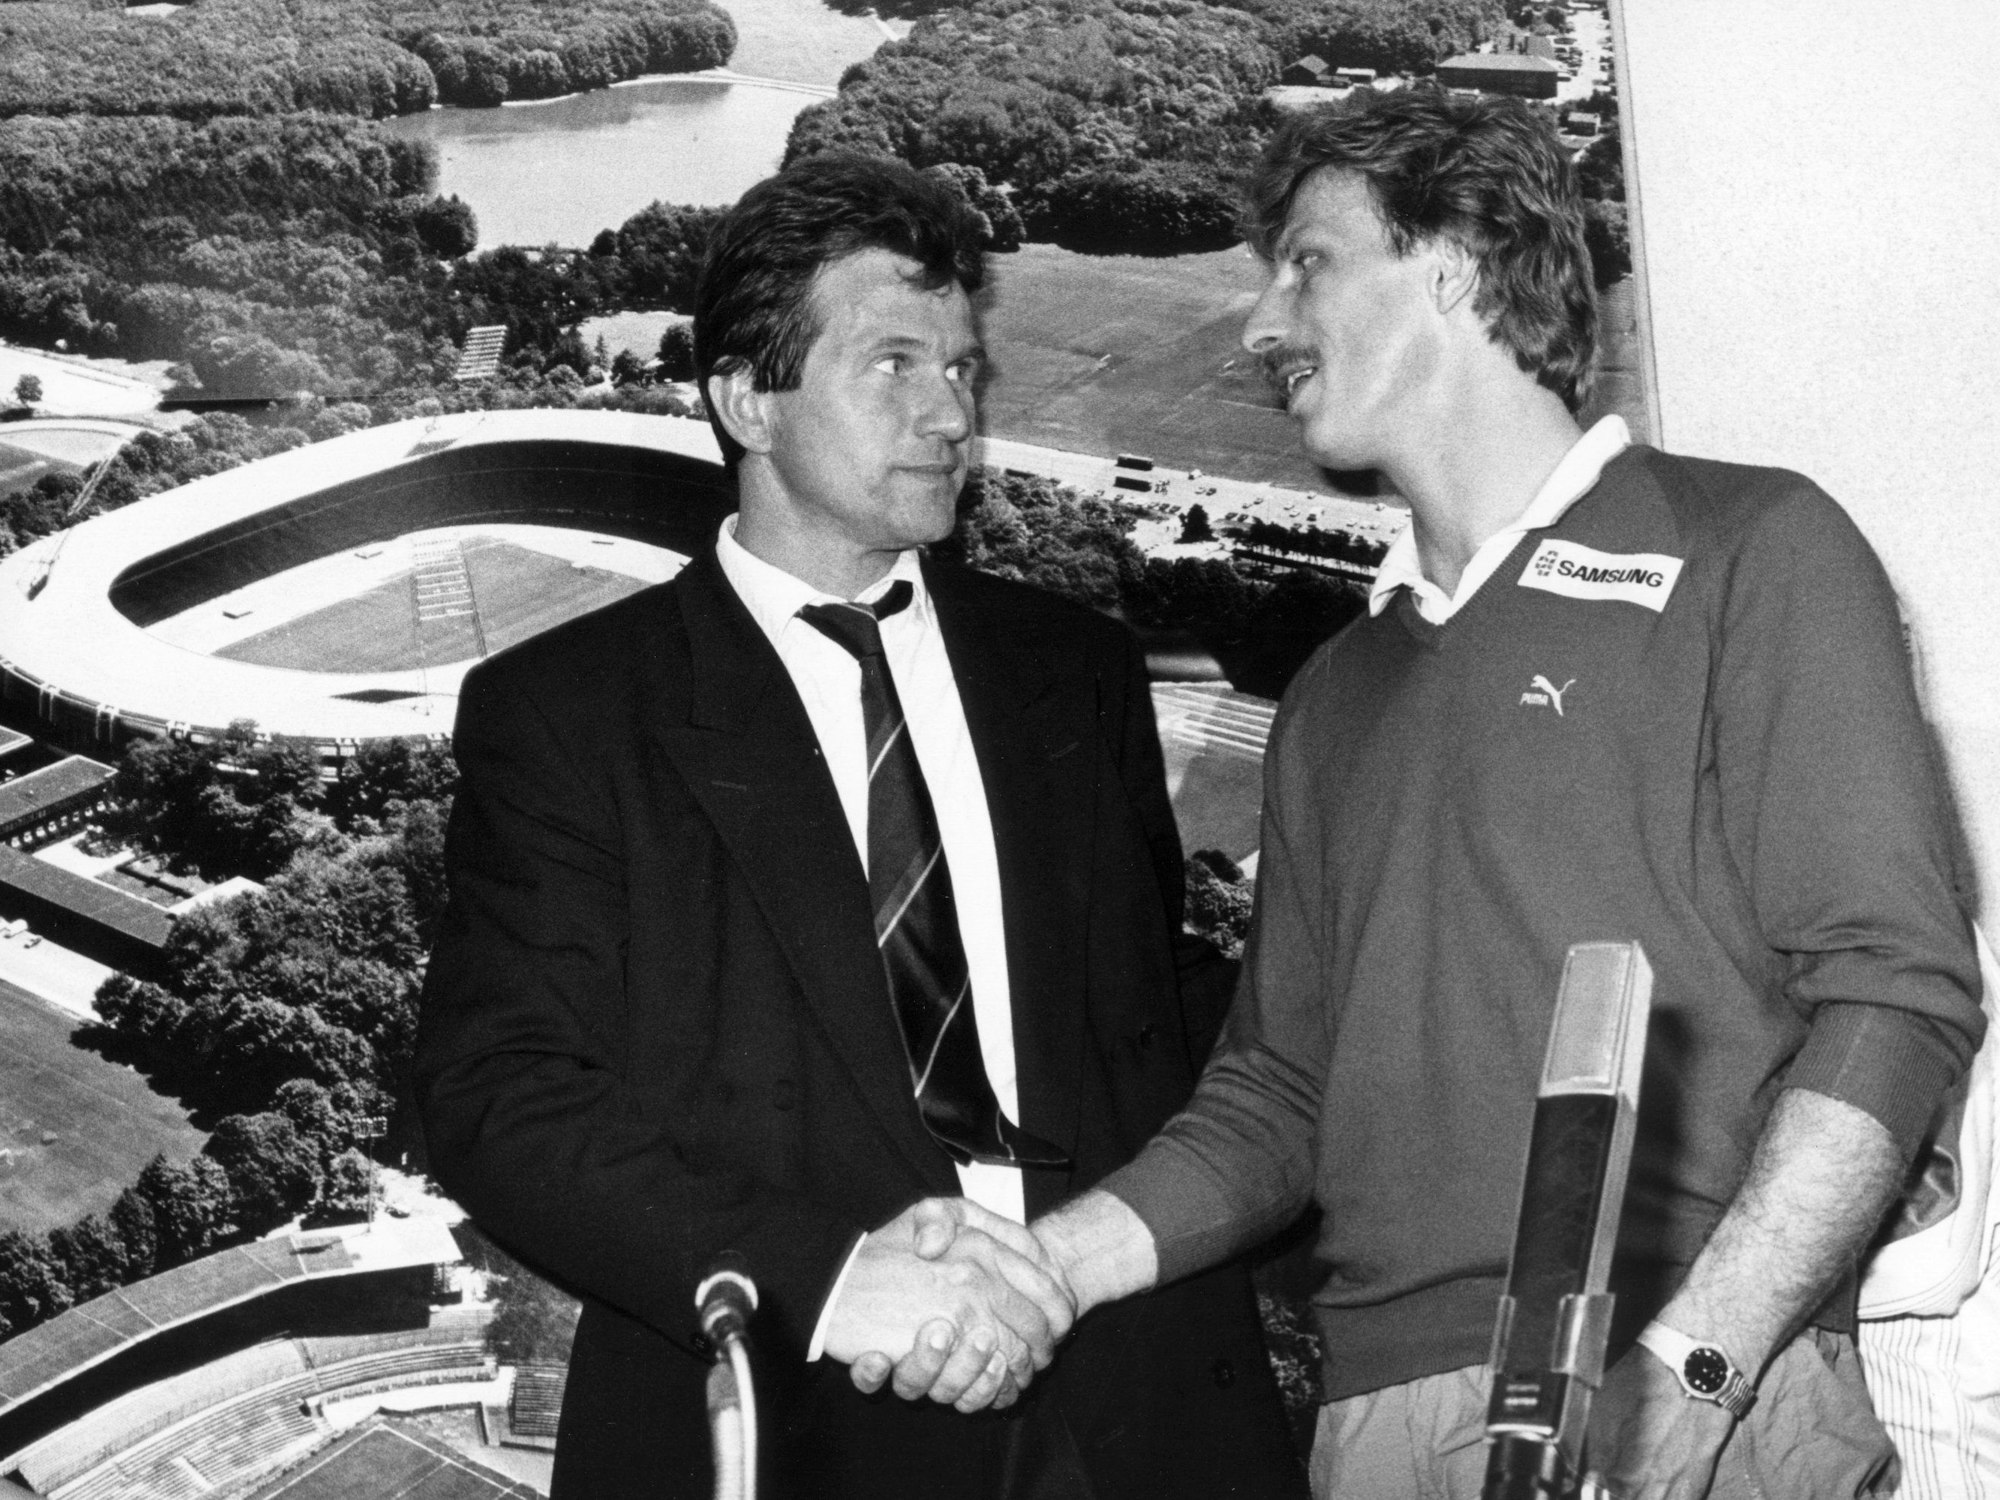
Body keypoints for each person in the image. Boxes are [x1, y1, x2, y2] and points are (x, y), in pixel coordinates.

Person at [884, 88, 1986, 1499]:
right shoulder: (1338, 696)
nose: (1261, 323)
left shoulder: (1754, 548)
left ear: (1456, 261)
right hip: (1382, 1421)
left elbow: (1895, 998)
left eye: (1307, 263)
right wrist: (1038, 1269)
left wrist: (1700, 1365)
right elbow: (1278, 1099)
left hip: (1698, 1392)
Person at [412, 153, 1303, 1500]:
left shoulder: (1079, 673)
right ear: (743, 399)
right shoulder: (573, 714)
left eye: (961, 369)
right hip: (798, 1419)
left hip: (1143, 1415)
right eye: (894, 365)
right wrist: (825, 1286)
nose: (950, 412)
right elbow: (502, 1096)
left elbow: (1152, 1012)